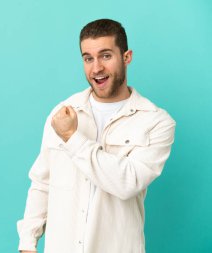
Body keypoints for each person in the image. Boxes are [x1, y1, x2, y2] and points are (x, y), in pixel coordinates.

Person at [17, 19, 176, 253]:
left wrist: (72, 138)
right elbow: (43, 183)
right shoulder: (62, 112)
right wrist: (27, 244)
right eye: (88, 58)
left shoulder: (156, 122)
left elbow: (127, 182)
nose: (96, 68)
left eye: (106, 56)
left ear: (127, 57)